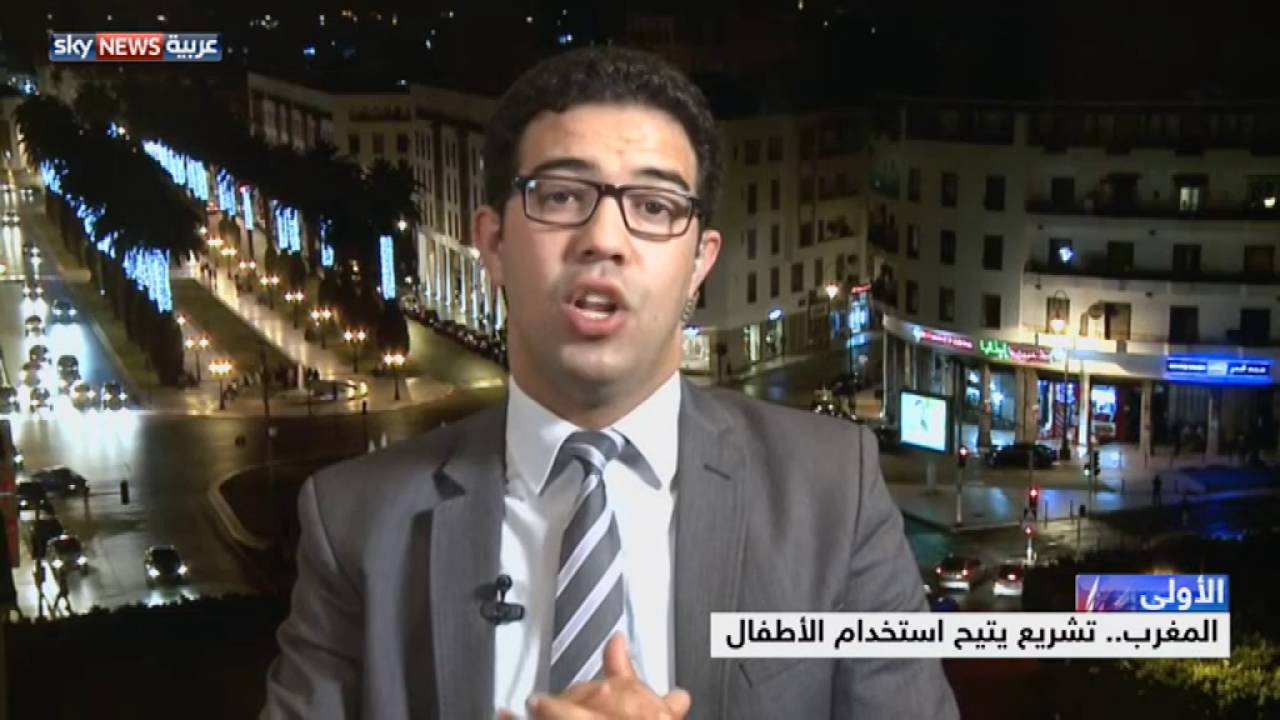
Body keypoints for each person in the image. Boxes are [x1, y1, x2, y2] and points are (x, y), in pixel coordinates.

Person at [261, 47, 958, 720]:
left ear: (699, 262)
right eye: (562, 195)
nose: (604, 238)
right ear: (494, 243)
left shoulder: (835, 494)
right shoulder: (354, 522)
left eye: (654, 207)